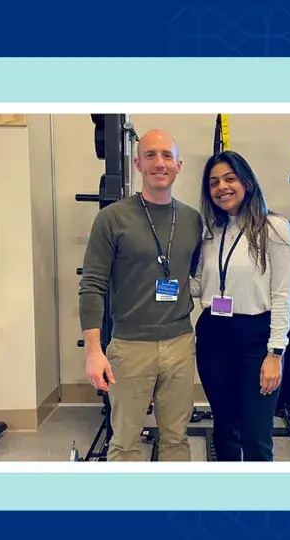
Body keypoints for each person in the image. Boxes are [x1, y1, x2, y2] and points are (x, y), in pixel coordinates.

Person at [78, 129, 203, 461]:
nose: (159, 163)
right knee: (125, 442)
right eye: (150, 155)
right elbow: (92, 285)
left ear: (179, 165)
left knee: (176, 439)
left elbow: (198, 275)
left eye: (166, 156)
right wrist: (93, 351)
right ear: (137, 164)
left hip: (179, 343)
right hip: (130, 348)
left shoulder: (192, 220)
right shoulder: (112, 219)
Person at [190, 150, 290, 462]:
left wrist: (275, 353)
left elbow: (282, 295)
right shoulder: (212, 232)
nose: (221, 186)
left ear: (246, 182)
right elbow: (199, 286)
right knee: (224, 427)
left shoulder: (274, 228)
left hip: (255, 340)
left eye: (229, 178)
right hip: (213, 336)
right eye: (213, 182)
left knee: (255, 434)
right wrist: (161, 278)